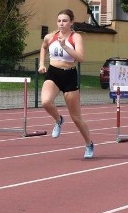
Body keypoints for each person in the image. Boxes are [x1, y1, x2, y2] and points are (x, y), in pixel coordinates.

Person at [38, 9, 95, 159]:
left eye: (64, 21)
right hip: (53, 73)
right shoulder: (50, 37)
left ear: (71, 22)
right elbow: (43, 48)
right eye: (59, 21)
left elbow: (81, 58)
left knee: (76, 118)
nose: (61, 23)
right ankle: (58, 119)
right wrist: (42, 64)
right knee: (45, 102)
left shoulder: (76, 37)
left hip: (69, 75)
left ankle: (89, 144)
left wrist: (65, 46)